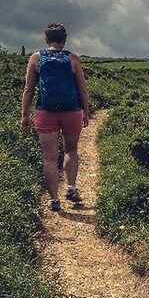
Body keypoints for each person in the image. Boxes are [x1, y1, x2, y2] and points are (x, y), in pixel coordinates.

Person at [20, 22, 90, 211]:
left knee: (49, 158)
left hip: (45, 112)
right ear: (64, 40)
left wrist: (25, 114)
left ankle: (54, 200)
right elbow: (82, 89)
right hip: (72, 112)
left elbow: (28, 90)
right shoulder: (73, 59)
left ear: (46, 39)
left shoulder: (36, 58)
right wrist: (86, 111)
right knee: (71, 151)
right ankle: (71, 188)